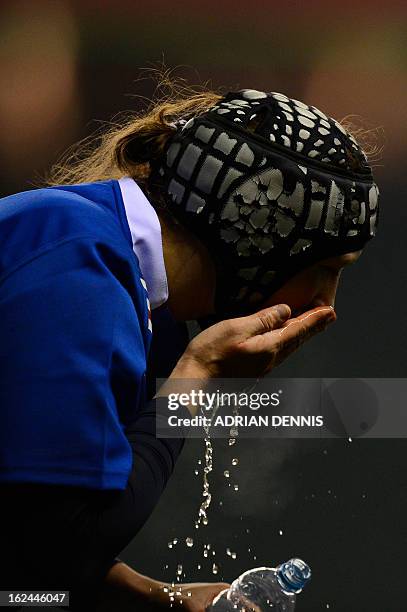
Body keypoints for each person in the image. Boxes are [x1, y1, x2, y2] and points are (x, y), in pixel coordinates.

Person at [0, 80, 379, 611]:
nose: (326, 303)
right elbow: (60, 551)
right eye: (323, 269)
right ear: (259, 238)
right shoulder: (80, 265)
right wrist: (197, 378)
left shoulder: (128, 287)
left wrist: (152, 595)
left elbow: (26, 565)